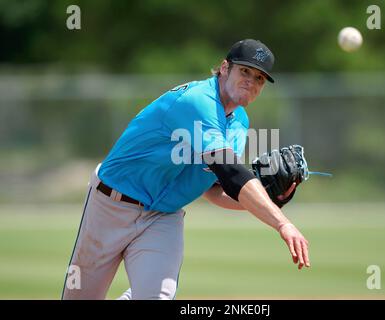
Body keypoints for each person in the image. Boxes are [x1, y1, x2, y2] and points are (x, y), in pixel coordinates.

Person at [62, 39, 310, 300]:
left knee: (156, 297)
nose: (251, 81)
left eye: (259, 78)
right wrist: (282, 224)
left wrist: (269, 201)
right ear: (225, 68)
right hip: (110, 206)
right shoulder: (197, 102)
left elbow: (217, 189)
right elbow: (232, 173)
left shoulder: (239, 123)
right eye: (245, 71)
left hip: (162, 218)